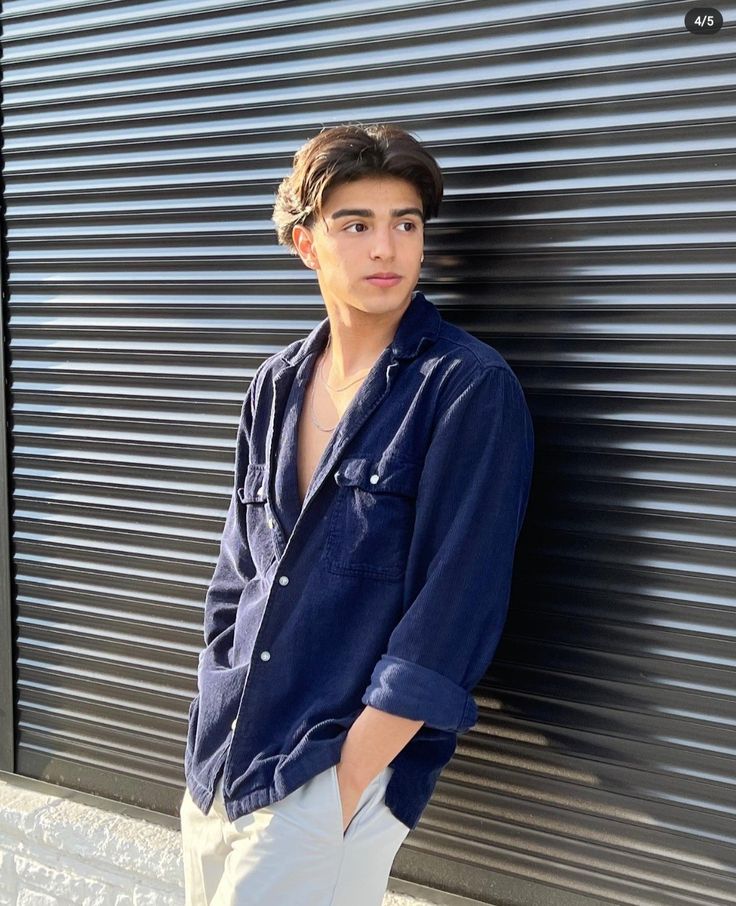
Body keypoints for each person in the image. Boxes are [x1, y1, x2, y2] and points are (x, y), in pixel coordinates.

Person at [179, 122, 535, 906]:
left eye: (405, 223)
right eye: (357, 224)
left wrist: (350, 778)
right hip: (222, 762)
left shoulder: (465, 390)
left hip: (327, 778)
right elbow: (238, 571)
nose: (387, 249)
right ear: (307, 245)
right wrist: (214, 695)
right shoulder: (274, 386)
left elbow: (456, 608)